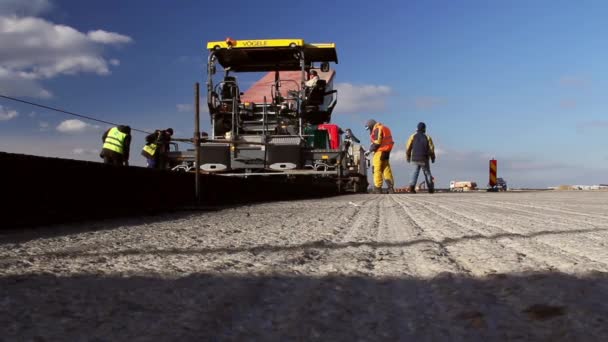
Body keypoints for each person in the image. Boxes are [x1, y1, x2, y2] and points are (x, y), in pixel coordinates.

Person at [364, 119, 395, 194]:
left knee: (376, 169)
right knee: (386, 169)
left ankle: (377, 188)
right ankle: (390, 188)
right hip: (387, 151)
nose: (369, 130)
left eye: (369, 128)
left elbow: (377, 142)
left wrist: (369, 150)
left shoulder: (378, 128)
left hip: (380, 151)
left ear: (371, 125)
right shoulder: (385, 128)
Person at [406, 122, 436, 193]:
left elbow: (408, 148)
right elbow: (431, 149)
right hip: (424, 158)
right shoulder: (428, 137)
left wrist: (408, 157)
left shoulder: (412, 136)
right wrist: (433, 158)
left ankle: (412, 188)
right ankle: (430, 189)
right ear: (424, 129)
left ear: (417, 129)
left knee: (415, 173)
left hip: (415, 158)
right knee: (427, 173)